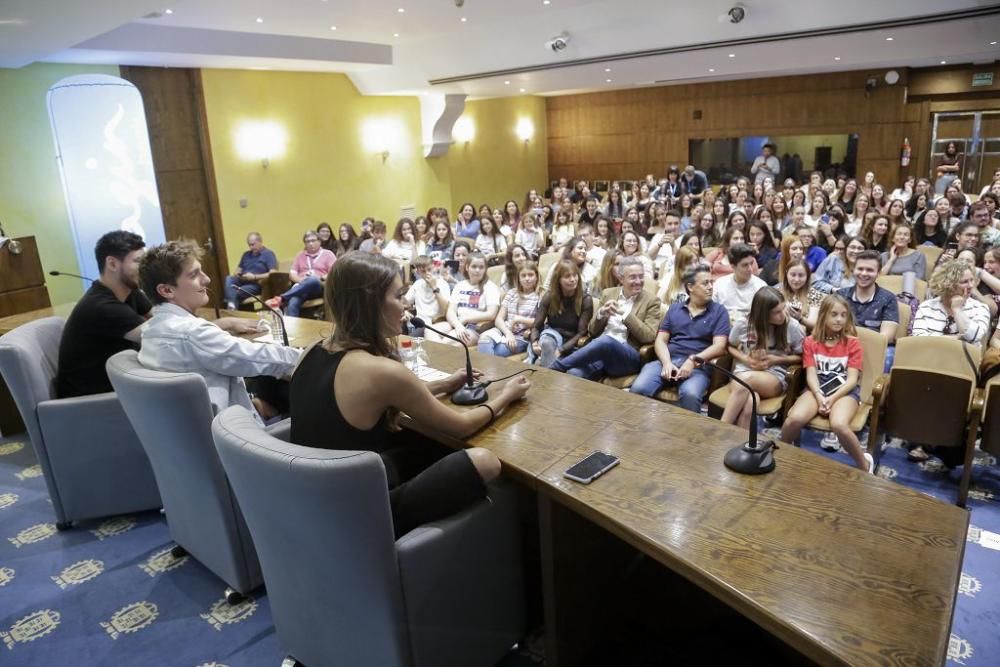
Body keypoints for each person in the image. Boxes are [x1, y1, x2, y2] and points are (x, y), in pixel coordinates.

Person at [289, 252, 530, 538]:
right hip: (361, 517)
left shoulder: (310, 352)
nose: (406, 305)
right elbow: (461, 426)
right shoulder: (379, 371)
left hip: (315, 505)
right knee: (485, 460)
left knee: (425, 446)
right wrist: (505, 395)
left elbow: (379, 397)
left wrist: (445, 385)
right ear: (371, 303)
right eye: (398, 296)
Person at [138, 239, 300, 422]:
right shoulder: (193, 332)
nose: (206, 279)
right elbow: (259, 358)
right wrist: (312, 355)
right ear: (167, 290)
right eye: (194, 275)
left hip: (198, 429)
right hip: (236, 439)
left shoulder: (150, 331)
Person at [780, 294, 874, 473]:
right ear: (823, 315)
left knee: (839, 424)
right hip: (817, 388)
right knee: (795, 418)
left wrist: (830, 399)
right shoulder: (810, 341)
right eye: (834, 314)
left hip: (844, 391)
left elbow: (852, 380)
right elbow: (811, 375)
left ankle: (865, 465)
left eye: (843, 315)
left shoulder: (852, 343)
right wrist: (819, 395)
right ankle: (779, 454)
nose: (839, 319)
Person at [56, 231, 152, 398]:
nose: (145, 268)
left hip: (121, 386)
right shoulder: (101, 306)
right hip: (92, 402)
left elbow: (161, 318)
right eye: (138, 261)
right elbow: (161, 336)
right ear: (112, 264)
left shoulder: (130, 291)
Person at [630, 265, 730, 412]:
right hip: (668, 361)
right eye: (705, 283)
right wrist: (666, 363)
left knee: (690, 394)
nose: (710, 287)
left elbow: (720, 346)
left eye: (711, 282)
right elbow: (660, 340)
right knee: (639, 388)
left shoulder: (719, 311)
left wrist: (693, 360)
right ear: (690, 287)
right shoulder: (675, 308)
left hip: (698, 367)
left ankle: (688, 434)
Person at [551, 257, 660, 381]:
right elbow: (592, 331)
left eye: (641, 276)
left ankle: (555, 366)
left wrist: (625, 314)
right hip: (601, 354)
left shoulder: (652, 301)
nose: (638, 281)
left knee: (606, 341)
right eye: (633, 277)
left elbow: (649, 336)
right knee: (574, 373)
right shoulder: (608, 293)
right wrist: (601, 314)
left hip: (627, 358)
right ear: (621, 278)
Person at [720, 286, 804, 429]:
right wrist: (746, 359)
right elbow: (729, 347)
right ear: (764, 314)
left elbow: (801, 357)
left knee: (745, 381)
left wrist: (776, 359)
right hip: (744, 370)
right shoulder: (744, 324)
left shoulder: (792, 326)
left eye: (783, 308)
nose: (783, 314)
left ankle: (721, 428)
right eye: (777, 312)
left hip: (773, 375)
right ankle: (740, 445)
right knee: (750, 403)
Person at [836, 250, 899, 368]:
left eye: (870, 270)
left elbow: (886, 337)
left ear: (879, 273)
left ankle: (876, 386)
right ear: (853, 270)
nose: (864, 273)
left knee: (889, 355)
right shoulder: (840, 295)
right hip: (841, 344)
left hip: (874, 348)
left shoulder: (888, 298)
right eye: (860, 269)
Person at [529, 260, 594, 367]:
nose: (573, 279)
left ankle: (545, 368)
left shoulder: (586, 299)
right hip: (551, 336)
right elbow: (537, 325)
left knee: (544, 353)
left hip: (571, 342)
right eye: (567, 276)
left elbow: (582, 332)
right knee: (546, 341)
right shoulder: (549, 296)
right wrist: (534, 342)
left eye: (575, 275)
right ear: (558, 280)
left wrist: (561, 350)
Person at [912, 259, 991, 344]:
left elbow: (974, 337)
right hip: (931, 355)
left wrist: (957, 310)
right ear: (948, 284)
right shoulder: (926, 307)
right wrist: (955, 338)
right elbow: (918, 339)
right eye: (964, 282)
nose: (971, 286)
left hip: (963, 356)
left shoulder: (980, 308)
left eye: (972, 280)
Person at [478, 261, 541, 357]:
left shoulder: (540, 295)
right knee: (484, 341)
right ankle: (488, 370)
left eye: (530, 275)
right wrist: (507, 333)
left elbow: (541, 321)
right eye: (523, 276)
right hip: (504, 330)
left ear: (536, 277)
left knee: (497, 351)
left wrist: (518, 319)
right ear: (519, 278)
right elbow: (499, 319)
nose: (527, 278)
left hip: (522, 336)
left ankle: (487, 370)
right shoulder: (511, 293)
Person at [266, 231, 336, 316]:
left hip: (319, 287)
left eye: (313, 240)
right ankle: (291, 328)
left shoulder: (328, 254)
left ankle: (281, 298)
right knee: (293, 301)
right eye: (307, 241)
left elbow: (334, 272)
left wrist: (320, 277)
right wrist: (303, 281)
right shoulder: (300, 255)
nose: (310, 243)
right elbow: (292, 274)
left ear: (319, 241)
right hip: (301, 288)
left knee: (313, 279)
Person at [442, 252, 501, 347]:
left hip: (476, 327)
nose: (477, 270)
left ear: (485, 269)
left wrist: (466, 319)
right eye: (474, 266)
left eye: (481, 267)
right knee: (430, 331)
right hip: (457, 323)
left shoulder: (490, 287)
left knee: (446, 343)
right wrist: (458, 325)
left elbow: (492, 314)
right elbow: (451, 311)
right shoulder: (460, 285)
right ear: (467, 267)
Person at [711, 243, 766, 325]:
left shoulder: (761, 287)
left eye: (751, 263)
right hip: (723, 327)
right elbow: (712, 312)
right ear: (733, 266)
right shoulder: (720, 284)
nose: (750, 269)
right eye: (745, 265)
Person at [223, 232, 278, 310]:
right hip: (243, 280)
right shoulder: (246, 254)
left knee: (236, 293)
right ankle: (231, 304)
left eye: (253, 244)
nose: (251, 247)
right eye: (249, 245)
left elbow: (273, 273)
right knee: (229, 278)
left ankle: (232, 309)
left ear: (260, 242)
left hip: (257, 283)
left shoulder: (268, 254)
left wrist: (254, 277)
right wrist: (237, 273)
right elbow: (238, 270)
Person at [403, 256, 450, 335]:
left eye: (429, 269)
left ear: (434, 267)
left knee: (413, 339)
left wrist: (434, 287)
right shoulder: (417, 284)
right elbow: (404, 302)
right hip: (418, 323)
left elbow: (446, 309)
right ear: (418, 272)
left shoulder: (443, 284)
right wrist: (404, 311)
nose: (427, 273)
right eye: (423, 271)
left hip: (435, 324)